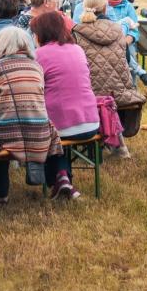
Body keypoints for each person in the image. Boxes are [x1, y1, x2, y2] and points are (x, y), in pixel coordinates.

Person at [0, 27, 63, 206]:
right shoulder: (36, 67)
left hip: (4, 133)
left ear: (0, 46)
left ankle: (2, 195)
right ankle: (45, 175)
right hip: (38, 131)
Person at [30, 10, 96, 200]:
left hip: (62, 126)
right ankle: (63, 179)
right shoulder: (77, 49)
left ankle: (60, 178)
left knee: (44, 131)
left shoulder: (39, 55)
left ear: (41, 33)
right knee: (55, 131)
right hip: (90, 121)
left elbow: (36, 89)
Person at [72, 0, 145, 154]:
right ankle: (118, 144)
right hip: (119, 89)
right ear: (105, 7)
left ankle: (97, 142)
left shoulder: (77, 31)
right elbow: (126, 59)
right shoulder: (118, 29)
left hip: (89, 90)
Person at [101, 0, 147, 84]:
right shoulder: (102, 5)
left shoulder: (128, 6)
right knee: (125, 47)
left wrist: (127, 40)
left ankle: (132, 87)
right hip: (106, 41)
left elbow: (135, 30)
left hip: (126, 41)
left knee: (128, 47)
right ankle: (141, 73)